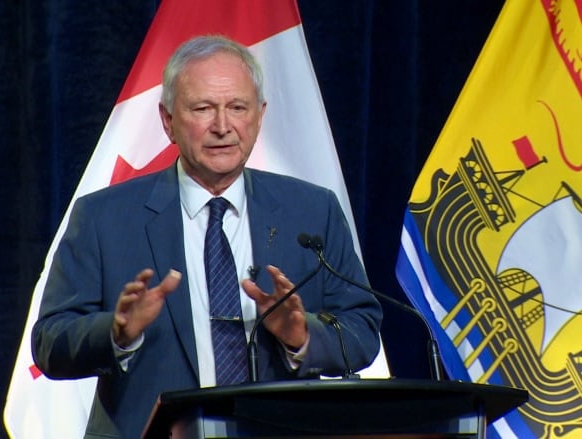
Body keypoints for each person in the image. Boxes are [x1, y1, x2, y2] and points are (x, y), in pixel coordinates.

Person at [31, 34, 383, 439]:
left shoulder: (312, 210)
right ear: (168, 121)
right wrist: (116, 332)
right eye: (203, 109)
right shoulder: (102, 218)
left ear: (259, 115)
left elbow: (361, 330)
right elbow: (50, 342)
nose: (222, 126)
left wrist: (302, 335)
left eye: (237, 108)